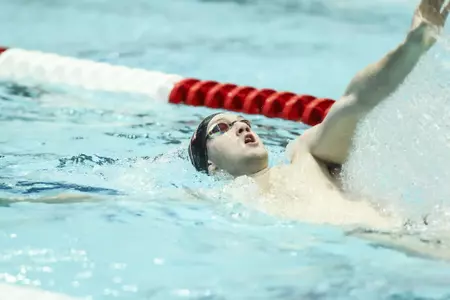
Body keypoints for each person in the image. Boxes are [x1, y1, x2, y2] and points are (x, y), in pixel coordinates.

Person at [188, 0, 450, 230]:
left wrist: (413, 47)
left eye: (244, 122)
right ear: (211, 166)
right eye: (222, 127)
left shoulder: (305, 155)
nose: (243, 128)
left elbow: (355, 102)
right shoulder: (223, 204)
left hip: (417, 236)